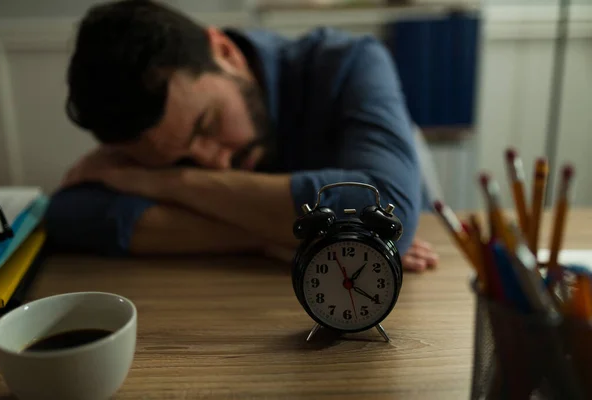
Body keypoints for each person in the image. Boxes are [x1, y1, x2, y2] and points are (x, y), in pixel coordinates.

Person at [46, 0, 439, 272]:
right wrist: (290, 238)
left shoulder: (350, 63)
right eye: (179, 161)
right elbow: (68, 217)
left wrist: (165, 182)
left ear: (225, 52)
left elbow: (386, 214)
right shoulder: (145, 125)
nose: (214, 163)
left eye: (207, 125)